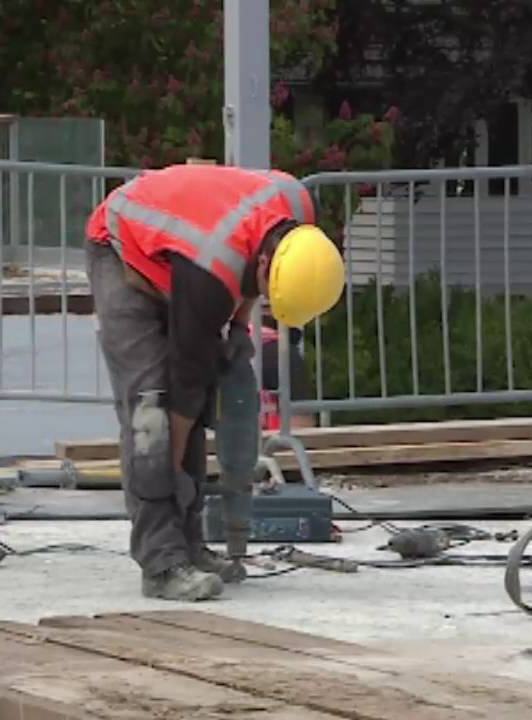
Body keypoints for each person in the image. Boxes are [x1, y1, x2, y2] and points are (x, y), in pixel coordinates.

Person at [85, 163, 345, 601]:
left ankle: (191, 546)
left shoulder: (299, 210)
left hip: (183, 252)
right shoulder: (211, 271)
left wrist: (239, 329)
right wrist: (171, 460)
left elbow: (249, 279)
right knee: (154, 416)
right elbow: (187, 388)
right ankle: (162, 563)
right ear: (267, 262)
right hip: (121, 247)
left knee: (198, 396)